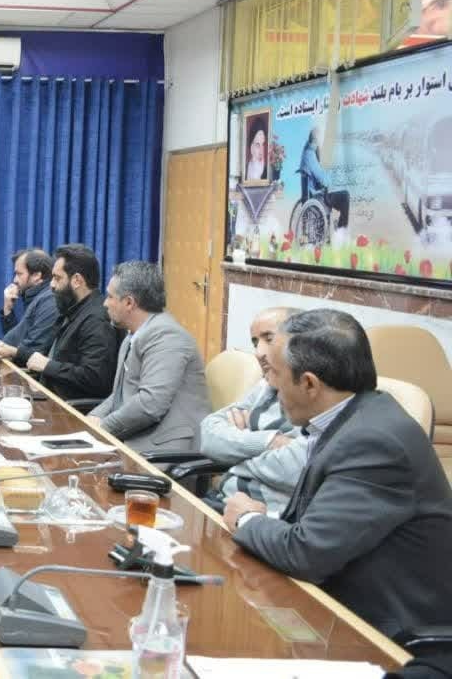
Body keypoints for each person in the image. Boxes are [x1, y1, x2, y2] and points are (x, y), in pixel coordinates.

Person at [225, 309, 452, 638]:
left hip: (385, 635)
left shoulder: (373, 442)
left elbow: (307, 554)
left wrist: (247, 519)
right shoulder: (353, 415)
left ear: (309, 383)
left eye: (275, 374)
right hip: (338, 602)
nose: (271, 385)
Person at [88, 261, 209, 453]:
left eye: (110, 297)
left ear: (129, 303)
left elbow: (150, 404)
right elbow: (120, 394)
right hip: (136, 434)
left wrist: (103, 427)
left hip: (164, 448)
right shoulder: (134, 334)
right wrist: (92, 419)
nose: (105, 303)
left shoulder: (167, 337)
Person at [199, 306, 305, 515]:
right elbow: (209, 434)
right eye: (255, 343)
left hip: (261, 516)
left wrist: (234, 451)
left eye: (269, 339)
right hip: (222, 501)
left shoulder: (311, 396)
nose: (258, 353)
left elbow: (296, 468)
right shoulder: (266, 385)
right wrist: (269, 441)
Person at [24, 244, 119, 403]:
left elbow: (95, 378)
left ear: (77, 280)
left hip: (65, 409)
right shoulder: (72, 310)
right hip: (46, 397)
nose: (51, 284)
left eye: (57, 278)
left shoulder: (96, 320)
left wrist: (48, 366)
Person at [0, 248, 58, 364]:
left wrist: (6, 349)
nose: (15, 280)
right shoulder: (35, 296)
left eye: (19, 274)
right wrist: (8, 309)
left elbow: (33, 351)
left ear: (36, 275)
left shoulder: (49, 301)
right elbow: (17, 340)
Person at [299, 126, 350, 230]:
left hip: (314, 194)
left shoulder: (308, 151)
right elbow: (323, 179)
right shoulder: (310, 155)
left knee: (341, 196)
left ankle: (340, 227)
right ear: (316, 140)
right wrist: (329, 179)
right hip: (318, 196)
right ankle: (341, 229)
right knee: (345, 196)